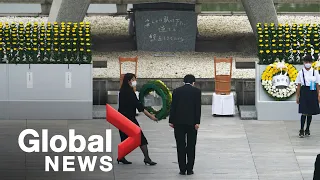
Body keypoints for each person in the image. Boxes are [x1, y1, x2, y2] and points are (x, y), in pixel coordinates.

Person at [117, 73, 158, 165]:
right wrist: (151, 116)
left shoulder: (123, 90)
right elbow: (139, 106)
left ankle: (121, 157)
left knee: (125, 139)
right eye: (133, 79)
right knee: (141, 138)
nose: (135, 81)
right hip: (128, 119)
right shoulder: (129, 92)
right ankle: (147, 158)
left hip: (122, 118)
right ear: (128, 81)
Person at [169, 74, 201, 175]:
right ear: (193, 82)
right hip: (192, 123)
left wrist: (171, 120)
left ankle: (182, 169)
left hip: (178, 122)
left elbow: (173, 106)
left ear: (184, 81)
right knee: (191, 145)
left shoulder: (177, 91)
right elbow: (197, 108)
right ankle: (190, 169)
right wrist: (197, 122)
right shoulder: (197, 91)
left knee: (180, 145)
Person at [295, 55, 320, 138]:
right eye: (306, 62)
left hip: (312, 92)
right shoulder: (300, 72)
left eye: (309, 62)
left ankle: (307, 129)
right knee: (304, 112)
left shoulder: (315, 72)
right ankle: (301, 129)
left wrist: (318, 95)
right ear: (303, 62)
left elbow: (317, 85)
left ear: (311, 63)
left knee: (310, 112)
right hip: (304, 91)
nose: (307, 64)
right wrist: (297, 96)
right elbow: (298, 85)